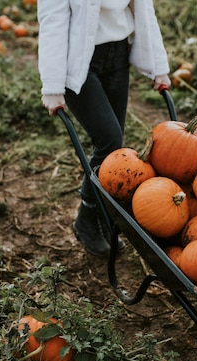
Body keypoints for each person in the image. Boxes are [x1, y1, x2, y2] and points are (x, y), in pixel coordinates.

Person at [37, 0, 172, 257]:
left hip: (118, 57)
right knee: (110, 138)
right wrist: (52, 85)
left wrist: (159, 67)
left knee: (114, 150)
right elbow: (52, 23)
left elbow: (144, 11)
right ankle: (87, 218)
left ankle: (101, 214)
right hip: (78, 64)